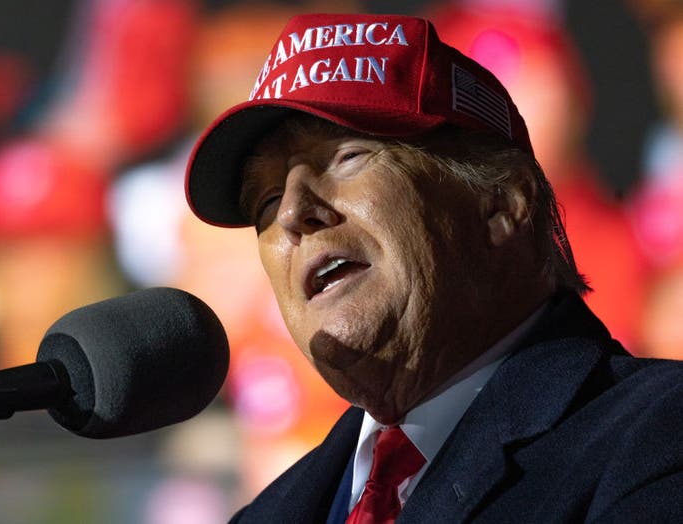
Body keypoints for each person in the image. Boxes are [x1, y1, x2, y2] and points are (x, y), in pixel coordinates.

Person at [183, 13, 683, 523]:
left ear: (501, 202)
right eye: (265, 200)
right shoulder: (266, 515)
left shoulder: (658, 441)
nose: (292, 214)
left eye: (347, 158)